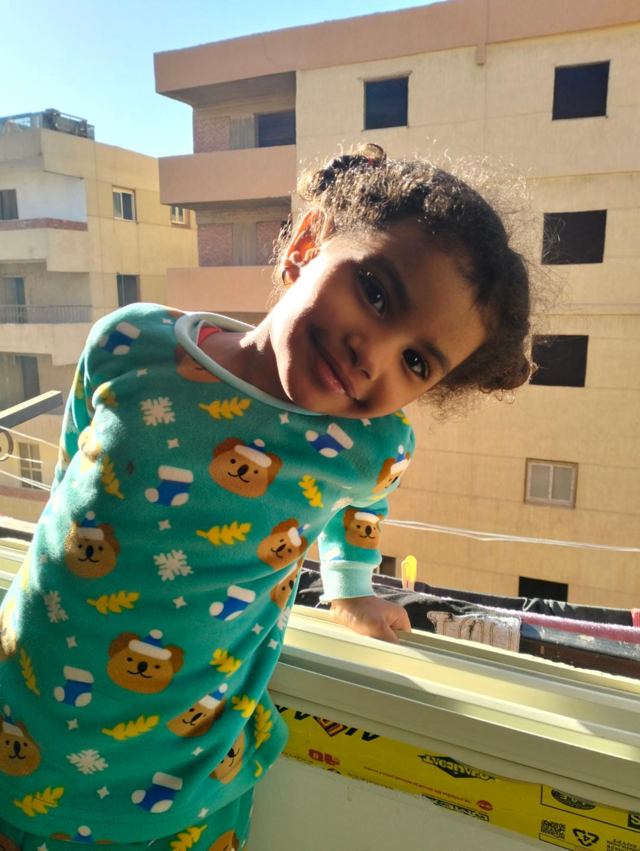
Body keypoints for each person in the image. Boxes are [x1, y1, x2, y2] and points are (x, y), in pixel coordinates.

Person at [0, 144, 533, 851]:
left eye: (415, 361)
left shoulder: (370, 445)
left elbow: (366, 506)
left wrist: (349, 588)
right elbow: (74, 466)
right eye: (376, 293)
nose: (373, 353)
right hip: (17, 722)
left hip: (179, 790)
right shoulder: (131, 342)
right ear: (307, 243)